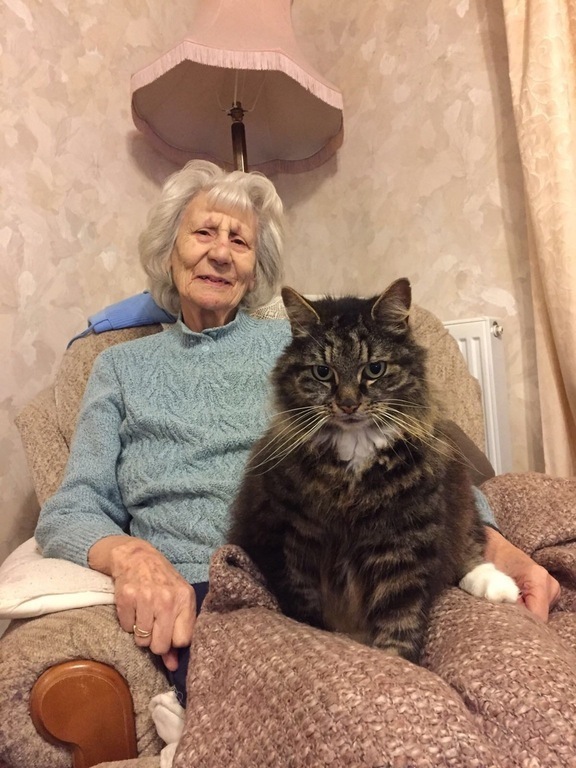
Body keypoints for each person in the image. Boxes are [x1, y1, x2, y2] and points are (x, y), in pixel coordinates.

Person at [35, 159, 560, 704]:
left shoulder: (304, 340)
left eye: (240, 241)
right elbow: (71, 508)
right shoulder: (119, 368)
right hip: (221, 589)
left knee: (526, 682)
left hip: (374, 573)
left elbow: (419, 453)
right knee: (362, 710)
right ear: (168, 250)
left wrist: (491, 541)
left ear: (255, 267)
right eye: (204, 232)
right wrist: (135, 559)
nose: (221, 252)